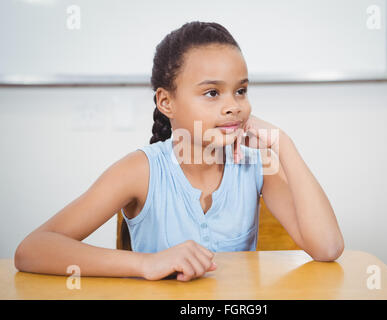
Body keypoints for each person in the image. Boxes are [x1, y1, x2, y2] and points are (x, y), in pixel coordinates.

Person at [14, 21, 344, 282]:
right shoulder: (139, 171)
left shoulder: (254, 164)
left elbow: (327, 248)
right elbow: (32, 250)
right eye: (213, 93)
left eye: (240, 91)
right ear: (166, 102)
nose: (233, 106)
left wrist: (284, 144)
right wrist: (148, 263)